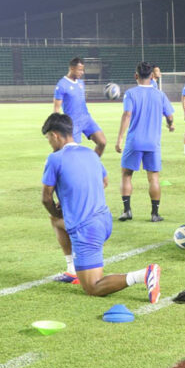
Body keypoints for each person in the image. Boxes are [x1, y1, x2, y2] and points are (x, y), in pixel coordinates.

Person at [41, 113, 161, 300]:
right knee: (55, 220)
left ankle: (143, 275)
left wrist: (62, 208)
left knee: (93, 287)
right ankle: (72, 269)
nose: (49, 142)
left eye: (48, 138)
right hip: (104, 220)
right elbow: (104, 182)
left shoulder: (55, 159)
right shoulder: (90, 154)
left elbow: (46, 199)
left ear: (55, 135)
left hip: (86, 229)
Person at [115, 62, 175, 223]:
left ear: (136, 75)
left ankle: (127, 211)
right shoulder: (160, 95)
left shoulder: (131, 93)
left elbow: (127, 114)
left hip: (134, 141)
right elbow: (170, 116)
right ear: (152, 76)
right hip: (153, 143)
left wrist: (119, 138)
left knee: (126, 175)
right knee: (153, 177)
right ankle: (155, 214)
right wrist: (170, 125)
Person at [53, 57, 106, 157]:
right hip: (73, 122)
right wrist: (57, 125)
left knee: (102, 142)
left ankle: (92, 163)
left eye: (82, 70)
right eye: (79, 70)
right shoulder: (62, 85)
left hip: (86, 119)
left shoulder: (81, 83)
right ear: (72, 68)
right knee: (72, 152)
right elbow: (56, 108)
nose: (82, 72)